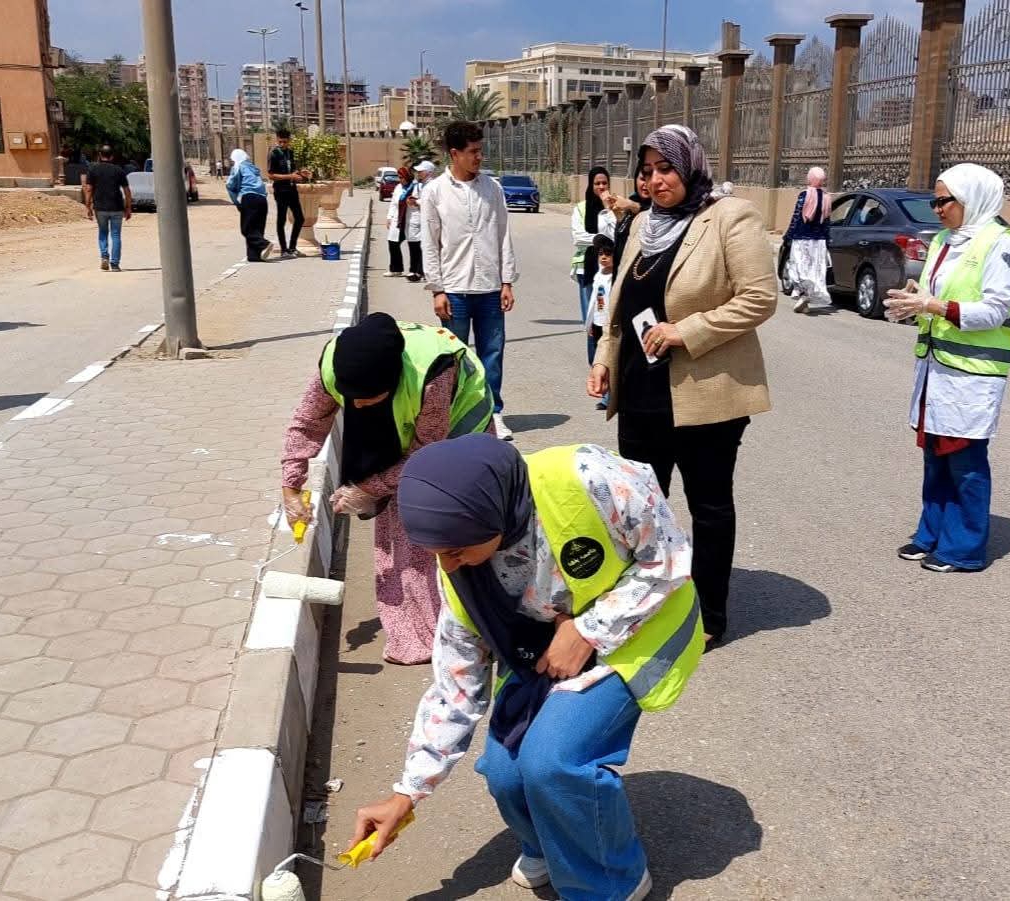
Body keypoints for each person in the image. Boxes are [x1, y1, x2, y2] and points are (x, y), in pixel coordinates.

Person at [348, 435, 700, 901]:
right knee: (504, 770)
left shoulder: (588, 478)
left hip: (643, 623)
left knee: (552, 761)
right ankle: (555, 846)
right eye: (437, 552)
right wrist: (407, 793)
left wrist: (587, 630)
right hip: (544, 646)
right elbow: (456, 689)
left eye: (457, 550)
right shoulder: (458, 569)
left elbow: (667, 560)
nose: (448, 567)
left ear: (492, 513)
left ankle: (612, 881)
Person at [587, 124, 777, 643]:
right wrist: (604, 360)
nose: (655, 180)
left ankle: (708, 617)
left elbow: (759, 298)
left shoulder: (729, 217)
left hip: (703, 394)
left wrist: (686, 331)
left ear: (690, 167)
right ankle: (645, 605)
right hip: (639, 393)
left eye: (666, 168)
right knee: (639, 508)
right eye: (647, 171)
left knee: (708, 508)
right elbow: (621, 308)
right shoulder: (641, 224)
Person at [281, 313, 493, 664]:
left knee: (451, 522)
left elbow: (427, 456)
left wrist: (370, 487)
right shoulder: (335, 363)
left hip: (460, 424)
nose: (357, 405)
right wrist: (291, 485)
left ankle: (472, 622)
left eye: (367, 397)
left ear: (392, 381)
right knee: (402, 531)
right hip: (402, 420)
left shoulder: (432, 373)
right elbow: (308, 422)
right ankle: (418, 630)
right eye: (351, 398)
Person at [885, 163, 1010, 574]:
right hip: (936, 366)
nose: (937, 209)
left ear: (971, 199)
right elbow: (937, 294)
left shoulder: (999, 245)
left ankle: (962, 548)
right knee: (935, 454)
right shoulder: (945, 240)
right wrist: (915, 299)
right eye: (935, 201)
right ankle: (930, 533)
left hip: (972, 372)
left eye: (944, 201)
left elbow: (996, 310)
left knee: (964, 460)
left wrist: (934, 305)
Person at [421, 121, 518, 441]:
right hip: (454, 290)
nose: (479, 157)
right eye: (473, 151)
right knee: (455, 359)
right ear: (454, 153)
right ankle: (455, 418)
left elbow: (503, 235)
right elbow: (430, 243)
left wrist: (507, 281)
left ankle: (493, 415)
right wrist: (437, 289)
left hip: (490, 288)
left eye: (480, 150)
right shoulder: (435, 191)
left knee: (492, 354)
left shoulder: (493, 189)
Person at [572, 166, 616, 328]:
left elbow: (617, 234)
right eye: (597, 183)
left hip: (611, 268)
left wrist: (608, 208)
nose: (601, 187)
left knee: (607, 321)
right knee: (591, 322)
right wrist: (602, 239)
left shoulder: (616, 207)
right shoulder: (581, 208)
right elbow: (578, 237)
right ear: (591, 185)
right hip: (587, 268)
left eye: (605, 183)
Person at [786, 166, 831, 313]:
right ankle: (805, 302)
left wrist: (788, 234)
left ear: (810, 178)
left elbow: (797, 217)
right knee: (814, 271)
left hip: (802, 239)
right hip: (819, 241)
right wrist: (827, 239)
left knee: (799, 268)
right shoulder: (826, 197)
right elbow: (827, 221)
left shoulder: (805, 195)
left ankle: (804, 295)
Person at [84, 145, 132, 272]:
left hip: (100, 208)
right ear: (112, 156)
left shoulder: (93, 170)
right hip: (117, 207)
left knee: (103, 232)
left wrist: (88, 206)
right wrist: (128, 207)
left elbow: (88, 189)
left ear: (100, 155)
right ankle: (115, 264)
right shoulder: (119, 170)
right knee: (116, 235)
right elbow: (127, 191)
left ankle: (104, 256)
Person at [226, 149, 276, 263]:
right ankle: (254, 255)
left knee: (246, 229)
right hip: (262, 200)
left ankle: (264, 244)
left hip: (249, 198)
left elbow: (229, 185)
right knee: (257, 228)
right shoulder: (253, 168)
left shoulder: (238, 167)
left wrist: (236, 202)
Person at [267, 128, 310, 258]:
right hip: (280, 191)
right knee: (281, 220)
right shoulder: (273, 153)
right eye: (280, 141)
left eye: (285, 142)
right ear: (277, 139)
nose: (282, 144)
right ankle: (284, 250)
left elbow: (292, 170)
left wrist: (301, 173)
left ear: (289, 141)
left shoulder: (290, 152)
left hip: (292, 190)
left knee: (300, 218)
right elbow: (271, 175)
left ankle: (292, 247)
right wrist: (290, 176)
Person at [584, 234, 615, 410]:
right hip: (596, 322)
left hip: (609, 325)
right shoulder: (598, 276)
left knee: (609, 361)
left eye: (608, 254)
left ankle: (608, 398)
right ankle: (604, 392)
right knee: (596, 358)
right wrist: (588, 323)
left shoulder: (615, 277)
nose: (604, 258)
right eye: (601, 254)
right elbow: (593, 302)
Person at [404, 160, 436, 283]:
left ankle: (422, 273)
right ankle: (419, 272)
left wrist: (417, 202)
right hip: (422, 218)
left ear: (429, 172)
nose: (419, 173)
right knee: (422, 246)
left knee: (429, 247)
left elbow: (430, 202)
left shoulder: (433, 185)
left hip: (431, 220)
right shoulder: (421, 185)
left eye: (421, 171)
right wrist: (413, 201)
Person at [384, 167, 413, 277]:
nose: (400, 179)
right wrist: (389, 217)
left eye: (402, 177)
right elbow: (393, 204)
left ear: (407, 177)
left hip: (410, 220)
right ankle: (396, 269)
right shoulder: (398, 187)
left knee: (414, 246)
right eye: (399, 177)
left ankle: (417, 271)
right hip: (398, 220)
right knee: (393, 243)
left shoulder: (414, 187)